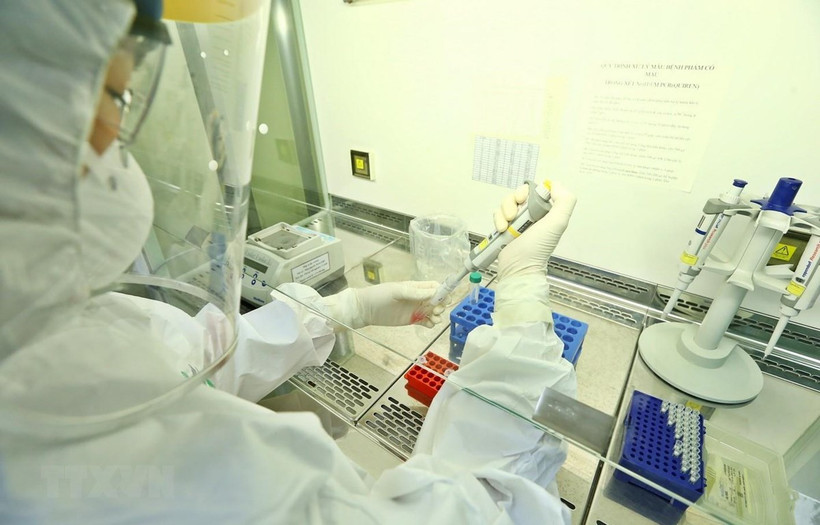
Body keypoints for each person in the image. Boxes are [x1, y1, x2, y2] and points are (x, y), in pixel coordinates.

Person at [0, 1, 578, 523]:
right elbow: (488, 507)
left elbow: (194, 361)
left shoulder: (55, 335)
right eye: (115, 97)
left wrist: (346, 308)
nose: (119, 159)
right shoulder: (110, 462)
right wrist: (523, 297)